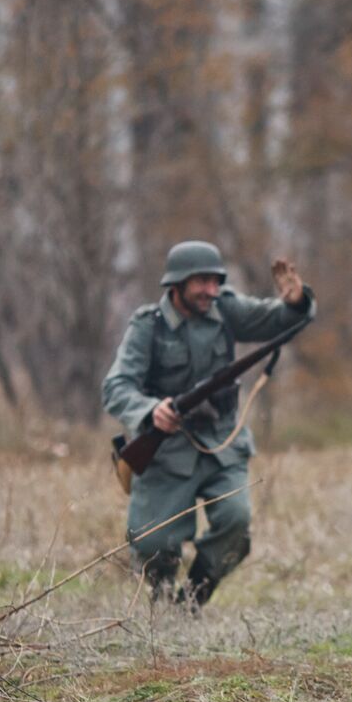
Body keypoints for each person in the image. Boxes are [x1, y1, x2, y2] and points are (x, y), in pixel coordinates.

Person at [102, 241, 314, 607]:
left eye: (215, 281)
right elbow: (116, 387)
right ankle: (162, 603)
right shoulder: (147, 326)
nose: (210, 291)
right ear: (176, 285)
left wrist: (295, 302)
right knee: (152, 542)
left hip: (221, 442)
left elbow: (279, 321)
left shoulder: (226, 309)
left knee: (236, 520)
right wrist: (151, 410)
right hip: (166, 449)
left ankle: (195, 597)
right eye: (201, 282)